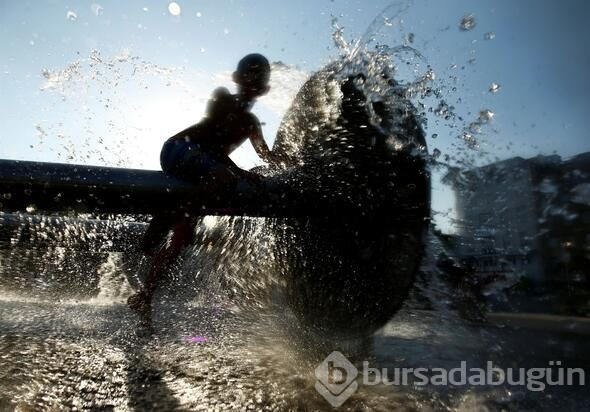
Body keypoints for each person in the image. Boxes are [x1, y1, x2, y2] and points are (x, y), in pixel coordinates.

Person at [128, 53, 279, 328]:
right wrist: (239, 171)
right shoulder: (223, 99)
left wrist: (300, 163)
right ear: (236, 78)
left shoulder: (251, 124)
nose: (253, 80)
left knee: (183, 239)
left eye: (259, 77)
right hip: (179, 150)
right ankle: (167, 215)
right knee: (225, 178)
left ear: (264, 89)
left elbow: (267, 156)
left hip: (205, 170)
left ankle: (144, 296)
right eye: (249, 73)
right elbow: (210, 145)